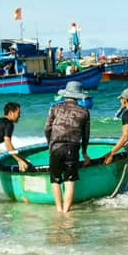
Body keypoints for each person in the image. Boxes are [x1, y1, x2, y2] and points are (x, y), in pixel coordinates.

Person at [44, 81, 92, 212]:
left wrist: (50, 144)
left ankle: (59, 209)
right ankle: (66, 211)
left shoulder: (55, 109)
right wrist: (84, 152)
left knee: (55, 181)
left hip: (56, 147)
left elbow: (47, 128)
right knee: (70, 182)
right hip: (73, 148)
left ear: (66, 95)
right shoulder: (84, 112)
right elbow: (86, 135)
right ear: (78, 96)